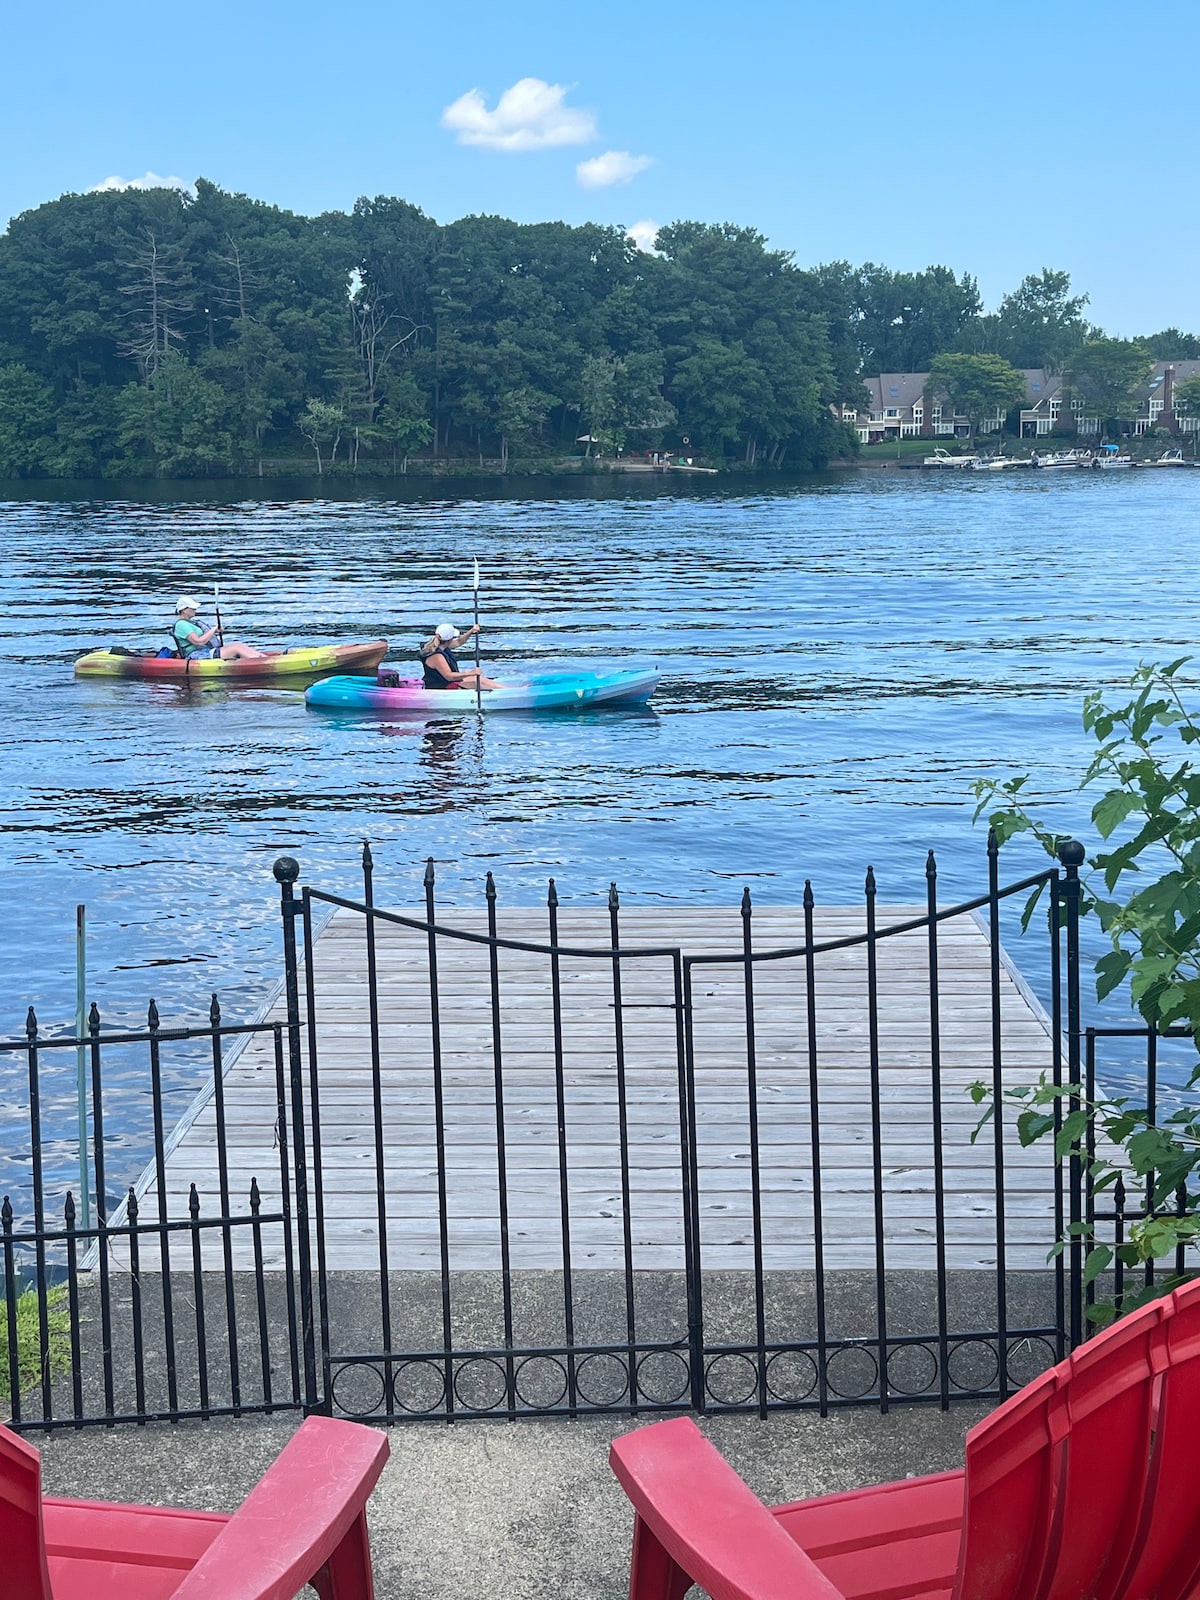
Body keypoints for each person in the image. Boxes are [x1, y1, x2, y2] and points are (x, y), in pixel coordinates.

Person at [173, 597, 267, 661]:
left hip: (205, 651)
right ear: (184, 610)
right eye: (192, 608)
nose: (195, 610)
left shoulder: (189, 623)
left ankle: (263, 658)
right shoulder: (181, 624)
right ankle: (261, 662)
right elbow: (199, 642)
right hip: (197, 655)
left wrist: (216, 631)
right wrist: (213, 630)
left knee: (239, 645)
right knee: (236, 648)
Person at [418, 622, 505, 690]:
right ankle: (505, 692)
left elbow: (459, 642)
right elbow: (449, 676)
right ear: (449, 639)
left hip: (446, 682)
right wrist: (470, 673)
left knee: (478, 678)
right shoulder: (437, 656)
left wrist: (471, 631)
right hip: (441, 687)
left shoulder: (441, 645)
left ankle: (506, 690)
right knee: (476, 682)